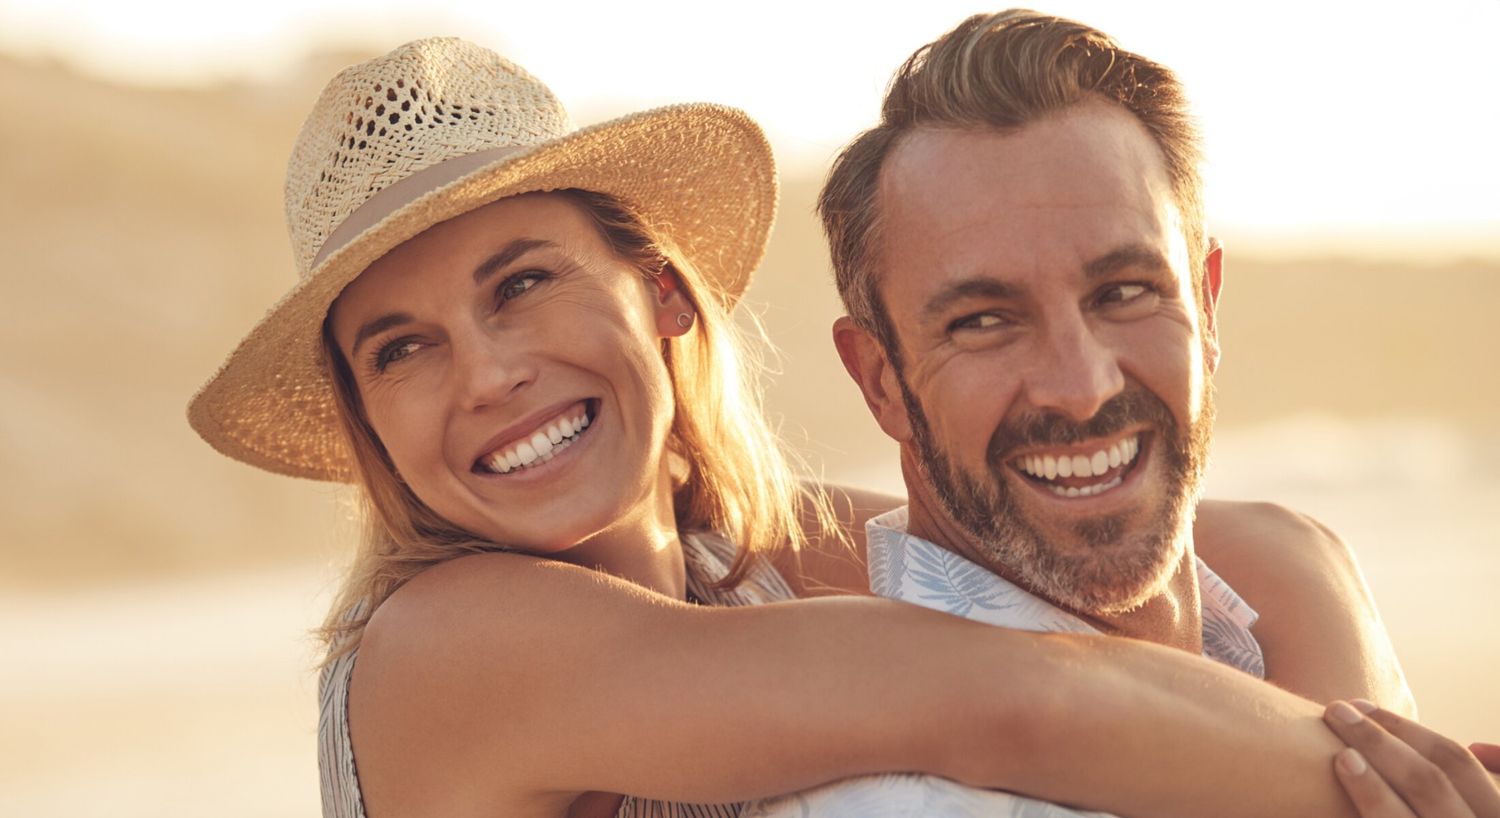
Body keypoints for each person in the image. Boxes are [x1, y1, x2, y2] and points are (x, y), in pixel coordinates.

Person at [186, 34, 1491, 818]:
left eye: (521, 283)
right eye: (401, 348)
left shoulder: (753, 568)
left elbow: (1237, 541)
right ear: (368, 421)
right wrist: (1376, 784)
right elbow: (1023, 698)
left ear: (656, 299)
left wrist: (1345, 669)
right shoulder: (448, 643)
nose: (485, 374)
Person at [748, 9, 1500, 817]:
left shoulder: (1262, 616)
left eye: (1126, 292)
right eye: (983, 321)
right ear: (881, 380)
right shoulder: (910, 799)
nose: (1081, 386)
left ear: (1207, 308)